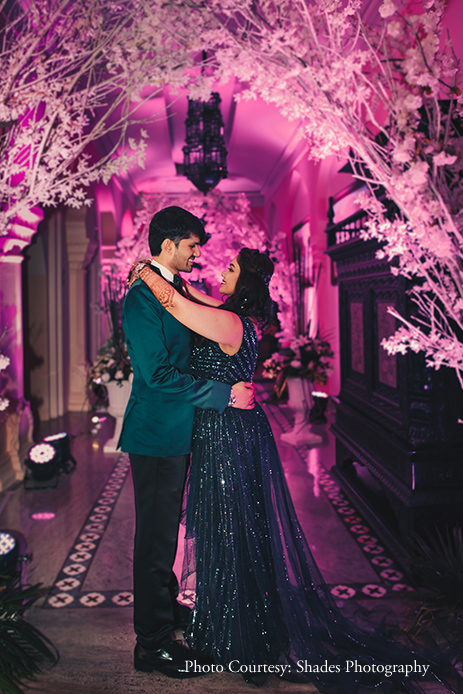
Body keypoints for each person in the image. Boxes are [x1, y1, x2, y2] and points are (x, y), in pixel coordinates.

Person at [129, 247, 458, 693]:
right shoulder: (235, 316)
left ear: (244, 283)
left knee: (231, 529)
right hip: (224, 432)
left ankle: (240, 634)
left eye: (230, 269)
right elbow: (194, 296)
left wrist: (145, 272)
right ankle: (232, 620)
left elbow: (177, 306)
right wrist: (181, 283)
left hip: (228, 436)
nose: (220, 273)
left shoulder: (230, 323)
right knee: (226, 528)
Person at [118, 207, 255, 680]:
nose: (199, 252)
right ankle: (151, 644)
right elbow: (157, 375)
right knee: (155, 539)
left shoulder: (173, 288)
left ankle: (164, 610)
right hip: (156, 433)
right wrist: (224, 395)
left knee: (165, 535)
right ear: (168, 244)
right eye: (192, 244)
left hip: (178, 431)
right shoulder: (141, 298)